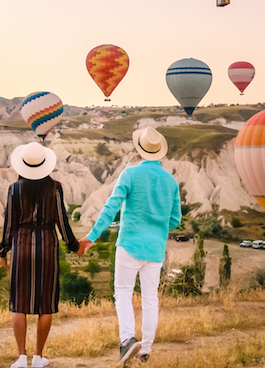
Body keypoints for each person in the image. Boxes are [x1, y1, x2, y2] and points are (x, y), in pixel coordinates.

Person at [77, 127, 182, 366]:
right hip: (155, 250)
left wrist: (91, 237)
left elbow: (111, 207)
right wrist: (158, 220)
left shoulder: (129, 174)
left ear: (140, 150)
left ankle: (127, 340)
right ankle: (145, 348)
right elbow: (175, 219)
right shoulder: (171, 181)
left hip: (129, 245)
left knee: (123, 292)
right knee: (150, 298)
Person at [0, 142, 80, 368]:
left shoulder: (14, 189)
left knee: (19, 303)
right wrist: (74, 246)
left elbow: (9, 224)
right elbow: (62, 222)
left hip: (21, 245)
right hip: (47, 246)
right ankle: (38, 356)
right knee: (46, 303)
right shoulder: (55, 188)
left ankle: (21, 357)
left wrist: (3, 251)